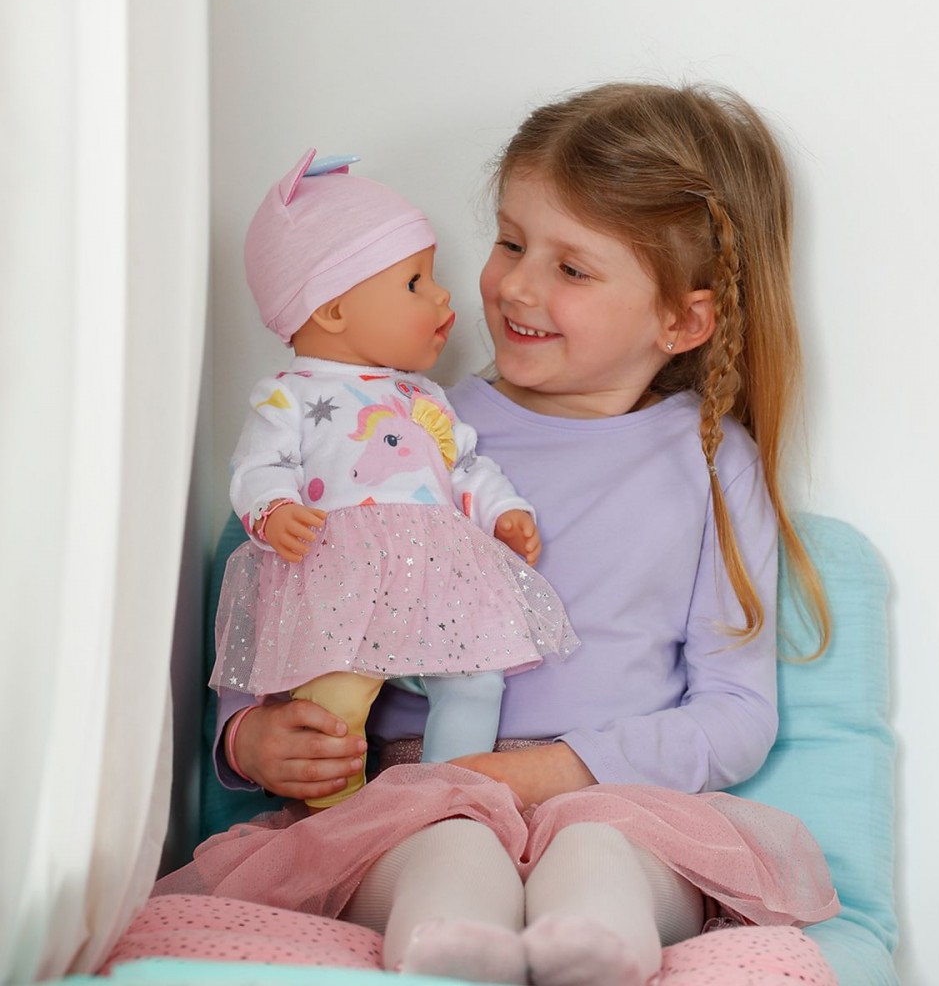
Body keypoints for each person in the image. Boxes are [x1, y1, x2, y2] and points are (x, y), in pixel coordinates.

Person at [159, 82, 838, 986]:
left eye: (572, 269)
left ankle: (592, 953)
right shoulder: (402, 431)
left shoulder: (712, 465)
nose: (515, 285)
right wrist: (252, 735)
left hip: (616, 798)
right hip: (414, 799)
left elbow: (737, 715)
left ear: (682, 319)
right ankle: (453, 952)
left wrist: (551, 774)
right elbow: (294, 600)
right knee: (450, 853)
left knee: (599, 858)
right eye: (511, 242)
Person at [211, 149, 577, 808]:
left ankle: (447, 798)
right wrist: (273, 510)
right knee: (335, 697)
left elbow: (465, 466)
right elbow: (258, 466)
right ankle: (341, 816)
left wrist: (501, 511)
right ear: (332, 310)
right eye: (415, 283)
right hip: (341, 579)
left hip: (435, 579)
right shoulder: (288, 395)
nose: (442, 297)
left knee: (477, 678)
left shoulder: (424, 398)